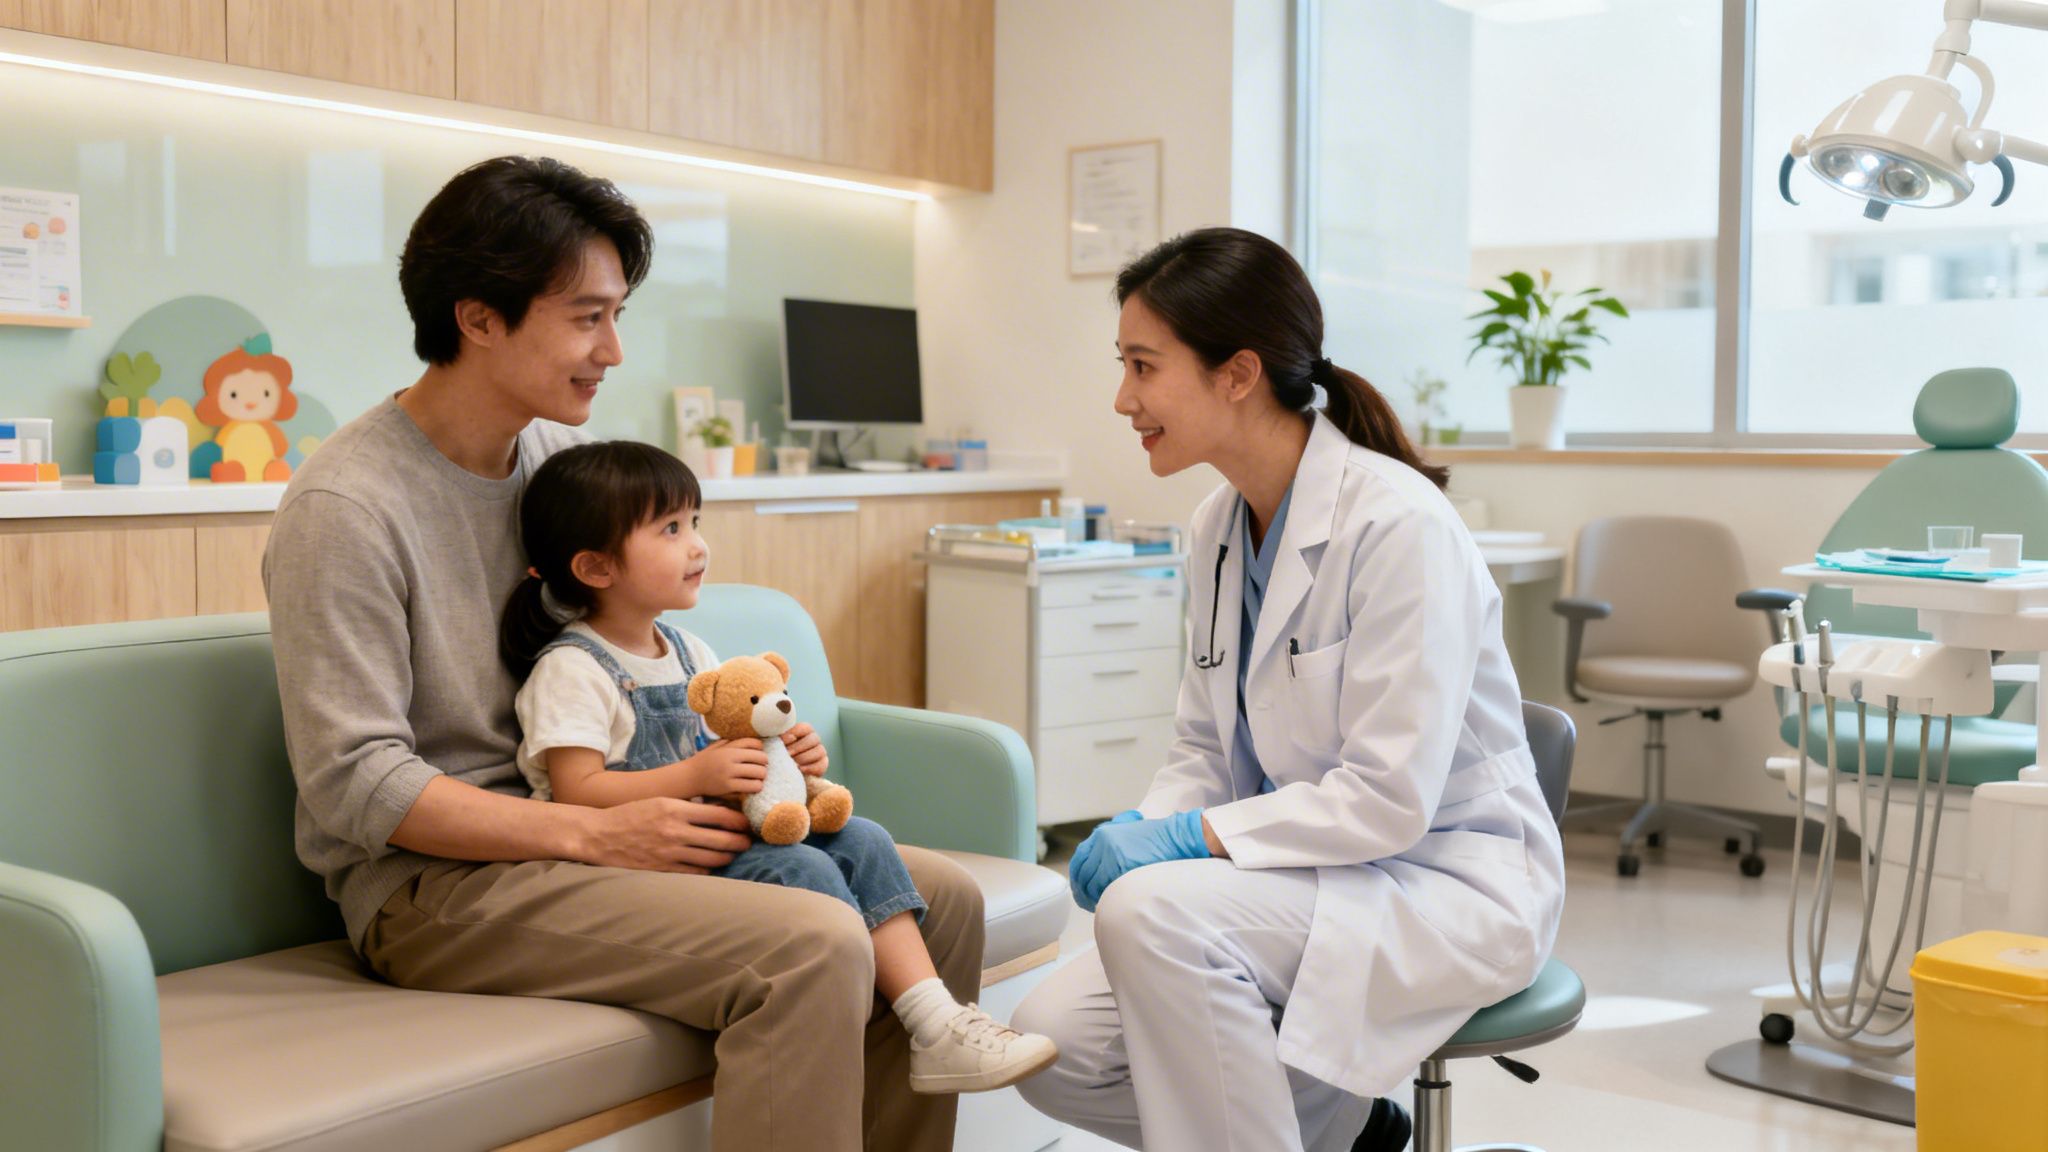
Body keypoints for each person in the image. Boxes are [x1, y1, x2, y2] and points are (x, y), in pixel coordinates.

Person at [264, 155, 987, 1152]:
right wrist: (593, 833)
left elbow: (633, 664)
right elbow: (354, 784)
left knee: (939, 897)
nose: (612, 347)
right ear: (478, 317)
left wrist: (731, 751)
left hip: (591, 814)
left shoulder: (558, 469)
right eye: (586, 316)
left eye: (616, 313)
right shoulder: (347, 508)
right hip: (434, 887)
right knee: (811, 943)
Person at [1009, 227, 1567, 1152]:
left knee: (1156, 917)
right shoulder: (1217, 527)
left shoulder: (1399, 527)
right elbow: (1203, 747)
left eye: (1144, 367)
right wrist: (1153, 828)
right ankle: (1349, 1136)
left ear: (1238, 373)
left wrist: (1187, 845)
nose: (1123, 398)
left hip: (1441, 880)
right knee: (1055, 1048)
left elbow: (1388, 800)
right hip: (1301, 879)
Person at [501, 439, 1058, 1095]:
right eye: (671, 529)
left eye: (695, 523)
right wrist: (696, 777)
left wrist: (793, 757)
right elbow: (576, 791)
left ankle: (933, 1020)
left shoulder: (689, 650)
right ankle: (870, 1024)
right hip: (649, 862)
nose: (697, 546)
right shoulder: (571, 669)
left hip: (722, 837)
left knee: (866, 839)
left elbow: (743, 740)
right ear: (596, 567)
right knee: (805, 867)